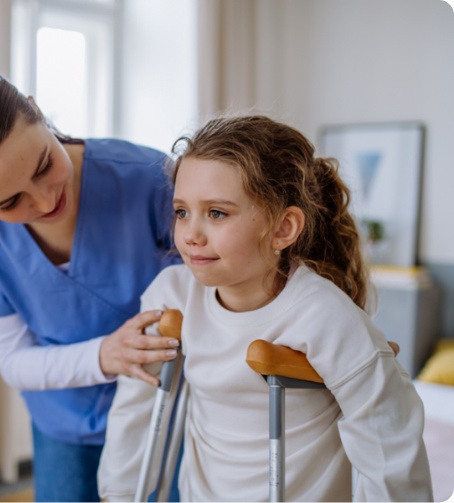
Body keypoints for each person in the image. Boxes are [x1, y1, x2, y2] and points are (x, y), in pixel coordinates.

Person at [97, 115, 433, 502]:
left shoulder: (323, 314)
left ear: (282, 229)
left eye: (217, 213)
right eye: (182, 211)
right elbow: (136, 408)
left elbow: (388, 438)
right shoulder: (172, 295)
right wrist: (118, 495)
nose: (190, 234)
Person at [0, 70, 183, 503]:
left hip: (165, 409)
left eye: (42, 167)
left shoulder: (151, 180)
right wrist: (104, 355)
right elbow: (15, 360)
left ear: (37, 111)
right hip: (63, 418)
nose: (43, 201)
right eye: (8, 203)